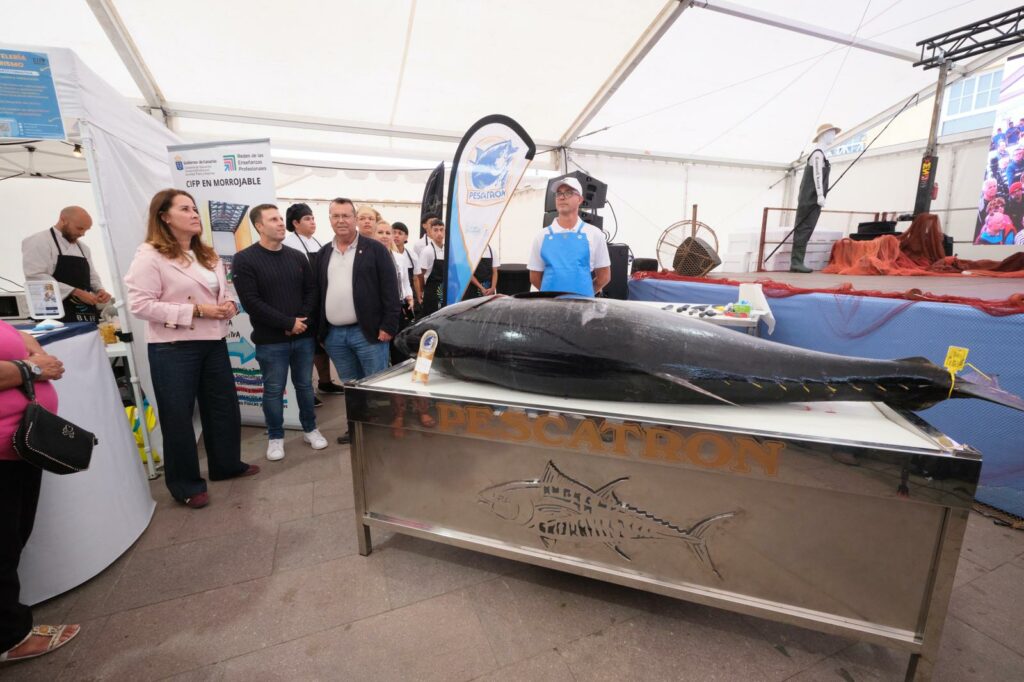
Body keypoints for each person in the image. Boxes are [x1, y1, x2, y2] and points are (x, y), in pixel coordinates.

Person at [124, 189, 259, 509]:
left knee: (222, 407)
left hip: (213, 341)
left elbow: (224, 292)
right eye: (185, 209)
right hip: (173, 347)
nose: (195, 214)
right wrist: (196, 311)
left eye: (195, 208)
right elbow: (140, 305)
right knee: (178, 416)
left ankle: (226, 465)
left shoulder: (207, 254)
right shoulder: (150, 256)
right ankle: (185, 484)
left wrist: (229, 304)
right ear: (164, 217)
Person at [0, 323, 79, 663]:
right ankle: (9, 637)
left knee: (12, 538)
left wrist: (32, 353)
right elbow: (33, 362)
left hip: (20, 446)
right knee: (2, 545)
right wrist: (30, 368)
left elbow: (22, 338)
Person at [232, 204, 327, 462]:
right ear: (259, 226)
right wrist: (287, 322)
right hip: (270, 341)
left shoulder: (297, 257)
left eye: (280, 218)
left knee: (305, 386)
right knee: (273, 390)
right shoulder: (244, 259)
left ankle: (310, 429)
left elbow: (311, 291)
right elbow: (251, 302)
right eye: (273, 219)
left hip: (303, 336)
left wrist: (300, 321)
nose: (280, 223)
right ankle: (275, 437)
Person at [315, 198, 400, 444]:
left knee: (375, 386)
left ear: (354, 219)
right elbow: (318, 293)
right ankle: (356, 430)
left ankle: (380, 433)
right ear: (330, 220)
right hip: (335, 336)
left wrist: (388, 326)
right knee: (351, 387)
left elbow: (390, 290)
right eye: (336, 216)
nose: (341, 220)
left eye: (346, 215)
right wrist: (321, 333)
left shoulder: (375, 249)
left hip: (369, 333)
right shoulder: (324, 253)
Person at [282, 203, 344, 404]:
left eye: (313, 218)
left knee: (321, 344)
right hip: (302, 302)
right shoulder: (289, 244)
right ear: (295, 223)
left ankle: (325, 382)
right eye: (307, 219)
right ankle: (305, 390)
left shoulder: (318, 243)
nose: (312, 222)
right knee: (306, 347)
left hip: (321, 301)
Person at [22, 206, 112, 323]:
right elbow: (36, 277)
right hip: (54, 317)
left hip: (86, 316)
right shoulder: (38, 241)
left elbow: (92, 275)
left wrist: (99, 290)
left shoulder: (83, 248)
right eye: (79, 228)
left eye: (86, 230)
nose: (82, 234)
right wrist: (75, 292)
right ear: (63, 220)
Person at [528, 178, 611, 296]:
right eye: (559, 193)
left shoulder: (595, 234)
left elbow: (604, 277)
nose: (562, 197)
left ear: (580, 199)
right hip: (550, 305)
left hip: (583, 305)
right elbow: (534, 277)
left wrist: (585, 293)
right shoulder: (541, 236)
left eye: (568, 193)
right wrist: (551, 296)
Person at [788, 123, 839, 273]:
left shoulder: (822, 154)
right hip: (809, 197)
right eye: (831, 133)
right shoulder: (817, 154)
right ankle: (796, 262)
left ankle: (798, 261)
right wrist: (820, 195)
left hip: (814, 198)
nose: (833, 137)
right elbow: (817, 175)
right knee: (803, 228)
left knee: (808, 228)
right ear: (823, 135)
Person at [417, 219, 447, 316]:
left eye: (441, 230)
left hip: (445, 290)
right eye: (436, 230)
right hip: (431, 291)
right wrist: (422, 290)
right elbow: (420, 274)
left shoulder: (448, 249)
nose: (439, 233)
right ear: (430, 232)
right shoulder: (427, 251)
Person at [390, 222, 422, 311]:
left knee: (410, 317)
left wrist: (419, 298)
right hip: (391, 295)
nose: (396, 236)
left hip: (408, 295)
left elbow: (415, 279)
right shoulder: (385, 253)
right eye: (394, 232)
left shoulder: (412, 256)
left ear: (406, 237)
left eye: (400, 233)